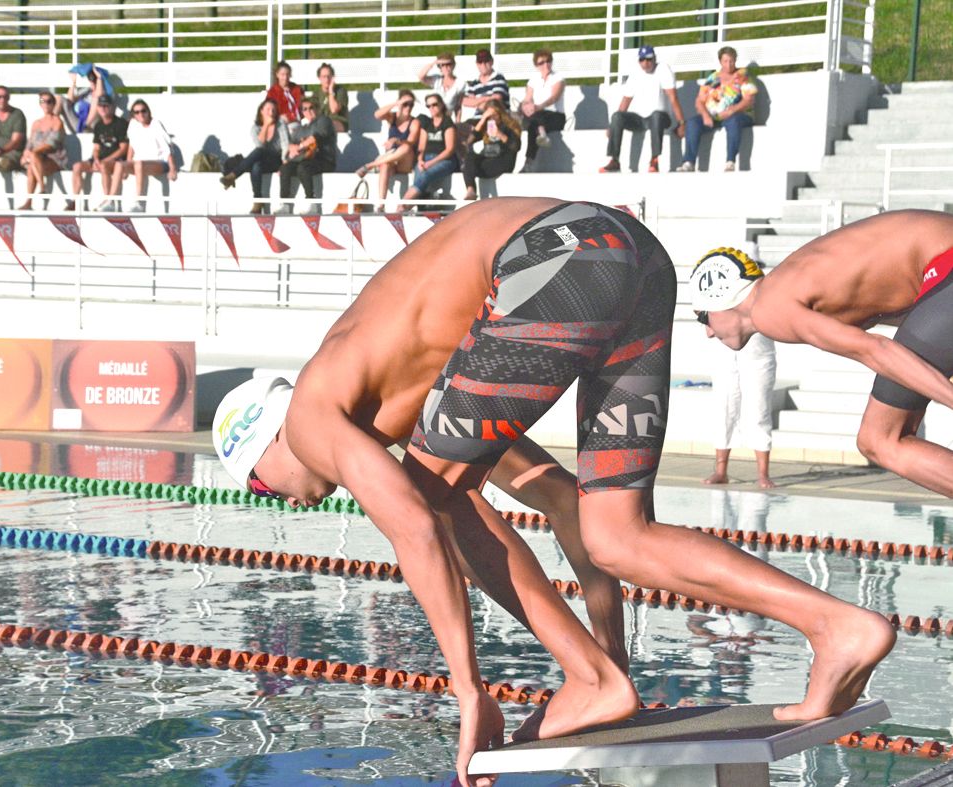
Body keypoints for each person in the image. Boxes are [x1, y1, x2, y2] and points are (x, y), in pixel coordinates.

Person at [214, 198, 895, 786]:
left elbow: (420, 525)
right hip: (628, 258)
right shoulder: (427, 388)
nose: (286, 501)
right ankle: (835, 624)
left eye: (262, 488)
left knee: (436, 496)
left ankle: (591, 678)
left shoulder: (309, 414)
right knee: (616, 531)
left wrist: (470, 690)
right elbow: (561, 503)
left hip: (552, 257)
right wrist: (613, 666)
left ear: (265, 442)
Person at [692, 209, 953, 498]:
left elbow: (876, 350)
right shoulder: (790, 283)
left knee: (880, 439)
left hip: (945, 267)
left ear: (722, 300)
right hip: (942, 269)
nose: (709, 332)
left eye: (704, 318)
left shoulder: (768, 310)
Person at [696, 248, 777, 489]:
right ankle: (721, 470)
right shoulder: (717, 296)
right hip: (726, 356)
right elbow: (709, 330)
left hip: (758, 357)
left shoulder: (765, 295)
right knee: (725, 409)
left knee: (759, 411)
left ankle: (763, 473)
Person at [601, 44, 686, 174]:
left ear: (654, 59)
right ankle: (614, 160)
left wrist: (681, 123)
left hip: (661, 117)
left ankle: (654, 159)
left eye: (649, 59)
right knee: (617, 117)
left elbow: (673, 97)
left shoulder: (663, 69)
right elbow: (626, 99)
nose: (645, 63)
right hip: (640, 118)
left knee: (656, 116)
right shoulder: (635, 73)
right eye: (642, 60)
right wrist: (612, 126)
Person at [677, 46, 757, 172]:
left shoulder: (742, 76)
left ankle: (730, 161)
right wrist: (705, 115)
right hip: (713, 115)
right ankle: (689, 161)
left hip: (737, 114)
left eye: (731, 61)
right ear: (720, 61)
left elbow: (749, 99)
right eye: (725, 61)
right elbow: (699, 101)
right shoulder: (713, 77)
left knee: (733, 121)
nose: (729, 64)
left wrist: (732, 110)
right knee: (692, 123)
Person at [220, 98, 290, 215]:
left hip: (277, 159)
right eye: (268, 109)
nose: (271, 112)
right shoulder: (255, 128)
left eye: (273, 109)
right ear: (261, 111)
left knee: (258, 153)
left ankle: (233, 175)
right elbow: (260, 144)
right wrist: (266, 125)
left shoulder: (280, 124)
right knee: (256, 166)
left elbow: (285, 144)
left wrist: (284, 161)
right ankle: (258, 201)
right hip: (262, 160)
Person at [108, 99, 177, 213]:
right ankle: (110, 202)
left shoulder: (156, 124)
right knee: (120, 165)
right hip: (138, 163)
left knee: (139, 164)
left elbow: (167, 149)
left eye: (143, 111)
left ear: (148, 111)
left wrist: (173, 169)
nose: (141, 114)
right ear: (133, 115)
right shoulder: (133, 125)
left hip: (160, 162)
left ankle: (140, 203)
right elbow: (132, 146)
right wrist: (127, 163)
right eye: (137, 112)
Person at [354, 90, 420, 207]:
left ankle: (370, 165)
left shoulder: (414, 122)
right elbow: (377, 114)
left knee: (405, 147)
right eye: (405, 104)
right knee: (385, 165)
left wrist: (396, 141)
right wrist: (396, 103)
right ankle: (381, 204)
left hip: (405, 160)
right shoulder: (393, 118)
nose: (408, 107)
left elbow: (411, 142)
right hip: (390, 159)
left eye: (411, 104)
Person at [67, 93, 127, 212]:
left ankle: (108, 201)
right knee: (77, 166)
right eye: (100, 106)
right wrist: (96, 159)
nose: (103, 108)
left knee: (104, 166)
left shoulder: (121, 123)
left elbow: (123, 149)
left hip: (115, 160)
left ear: (112, 107)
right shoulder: (98, 125)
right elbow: (96, 148)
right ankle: (75, 201)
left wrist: (104, 160)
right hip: (100, 159)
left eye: (106, 105)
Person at [397, 92, 456, 211]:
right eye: (429, 106)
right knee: (419, 175)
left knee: (425, 175)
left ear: (441, 105)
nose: (432, 108)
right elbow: (421, 147)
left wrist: (431, 163)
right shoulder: (427, 123)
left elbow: (449, 150)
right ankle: (415, 206)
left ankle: (403, 206)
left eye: (434, 104)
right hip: (427, 158)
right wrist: (420, 160)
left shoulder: (447, 122)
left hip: (444, 160)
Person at [278, 98, 336, 215]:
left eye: (311, 108)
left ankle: (312, 202)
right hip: (305, 159)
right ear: (302, 112)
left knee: (303, 168)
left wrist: (299, 146)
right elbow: (292, 144)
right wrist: (292, 149)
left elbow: (316, 137)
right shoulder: (301, 129)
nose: (308, 111)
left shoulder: (324, 120)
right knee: (285, 168)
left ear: (317, 109)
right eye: (305, 109)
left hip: (324, 159)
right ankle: (285, 204)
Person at [18, 91, 68, 211]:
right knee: (31, 165)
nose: (45, 104)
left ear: (53, 104)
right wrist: (26, 153)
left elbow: (52, 144)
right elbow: (30, 143)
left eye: (49, 101)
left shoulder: (57, 122)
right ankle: (33, 198)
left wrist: (32, 152)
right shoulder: (36, 123)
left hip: (54, 159)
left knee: (34, 157)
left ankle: (41, 188)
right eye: (42, 101)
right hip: (38, 160)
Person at [460, 100, 519, 201]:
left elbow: (515, 147)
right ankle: (471, 190)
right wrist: (482, 120)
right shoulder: (485, 125)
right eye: (489, 117)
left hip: (503, 160)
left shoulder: (510, 126)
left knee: (471, 166)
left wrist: (500, 134)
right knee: (470, 157)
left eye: (495, 115)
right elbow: (469, 142)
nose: (492, 119)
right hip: (488, 160)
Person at [519, 49, 565, 172]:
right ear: (536, 65)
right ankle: (540, 133)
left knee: (535, 119)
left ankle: (529, 162)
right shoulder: (533, 79)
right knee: (533, 123)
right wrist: (526, 106)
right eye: (542, 63)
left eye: (548, 61)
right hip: (538, 115)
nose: (546, 65)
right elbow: (527, 98)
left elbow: (555, 97)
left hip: (555, 116)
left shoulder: (558, 78)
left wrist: (538, 106)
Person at [57, 63, 112, 133]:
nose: (93, 84)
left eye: (94, 82)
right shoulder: (87, 91)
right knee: (59, 98)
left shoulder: (102, 94)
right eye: (91, 81)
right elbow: (70, 99)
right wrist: (73, 82)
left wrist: (99, 78)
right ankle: (51, 120)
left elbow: (98, 95)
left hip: (90, 125)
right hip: (77, 122)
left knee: (96, 100)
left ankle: (85, 125)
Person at [417, 52, 464, 121]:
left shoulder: (459, 84)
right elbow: (421, 76)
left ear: (453, 65)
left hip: (446, 119)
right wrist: (434, 63)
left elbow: (458, 107)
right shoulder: (437, 80)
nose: (445, 67)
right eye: (442, 65)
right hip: (432, 118)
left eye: (448, 64)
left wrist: (458, 122)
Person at [311, 62, 349, 133]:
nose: (327, 79)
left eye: (329, 76)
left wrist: (331, 91)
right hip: (321, 123)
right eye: (324, 77)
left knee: (326, 125)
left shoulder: (341, 91)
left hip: (339, 122)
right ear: (319, 78)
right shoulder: (316, 94)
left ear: (333, 77)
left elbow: (334, 109)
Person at [265, 61, 304, 126]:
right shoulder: (272, 92)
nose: (285, 78)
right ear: (277, 75)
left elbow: (303, 106)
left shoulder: (297, 89)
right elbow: (269, 111)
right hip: (279, 123)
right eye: (282, 75)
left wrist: (292, 116)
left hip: (296, 122)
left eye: (287, 74)